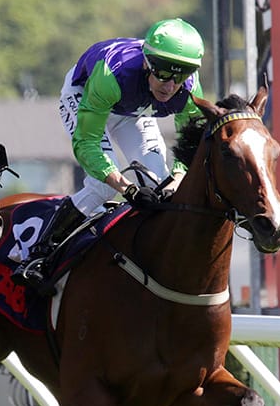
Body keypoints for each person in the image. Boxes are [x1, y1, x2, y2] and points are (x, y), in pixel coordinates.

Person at [15, 18, 207, 285]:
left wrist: (176, 177)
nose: (170, 85)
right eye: (163, 73)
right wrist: (126, 188)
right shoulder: (111, 75)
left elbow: (191, 146)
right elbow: (86, 144)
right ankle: (39, 254)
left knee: (159, 183)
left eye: (180, 75)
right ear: (147, 63)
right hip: (87, 95)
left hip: (133, 109)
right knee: (102, 186)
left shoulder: (188, 88)